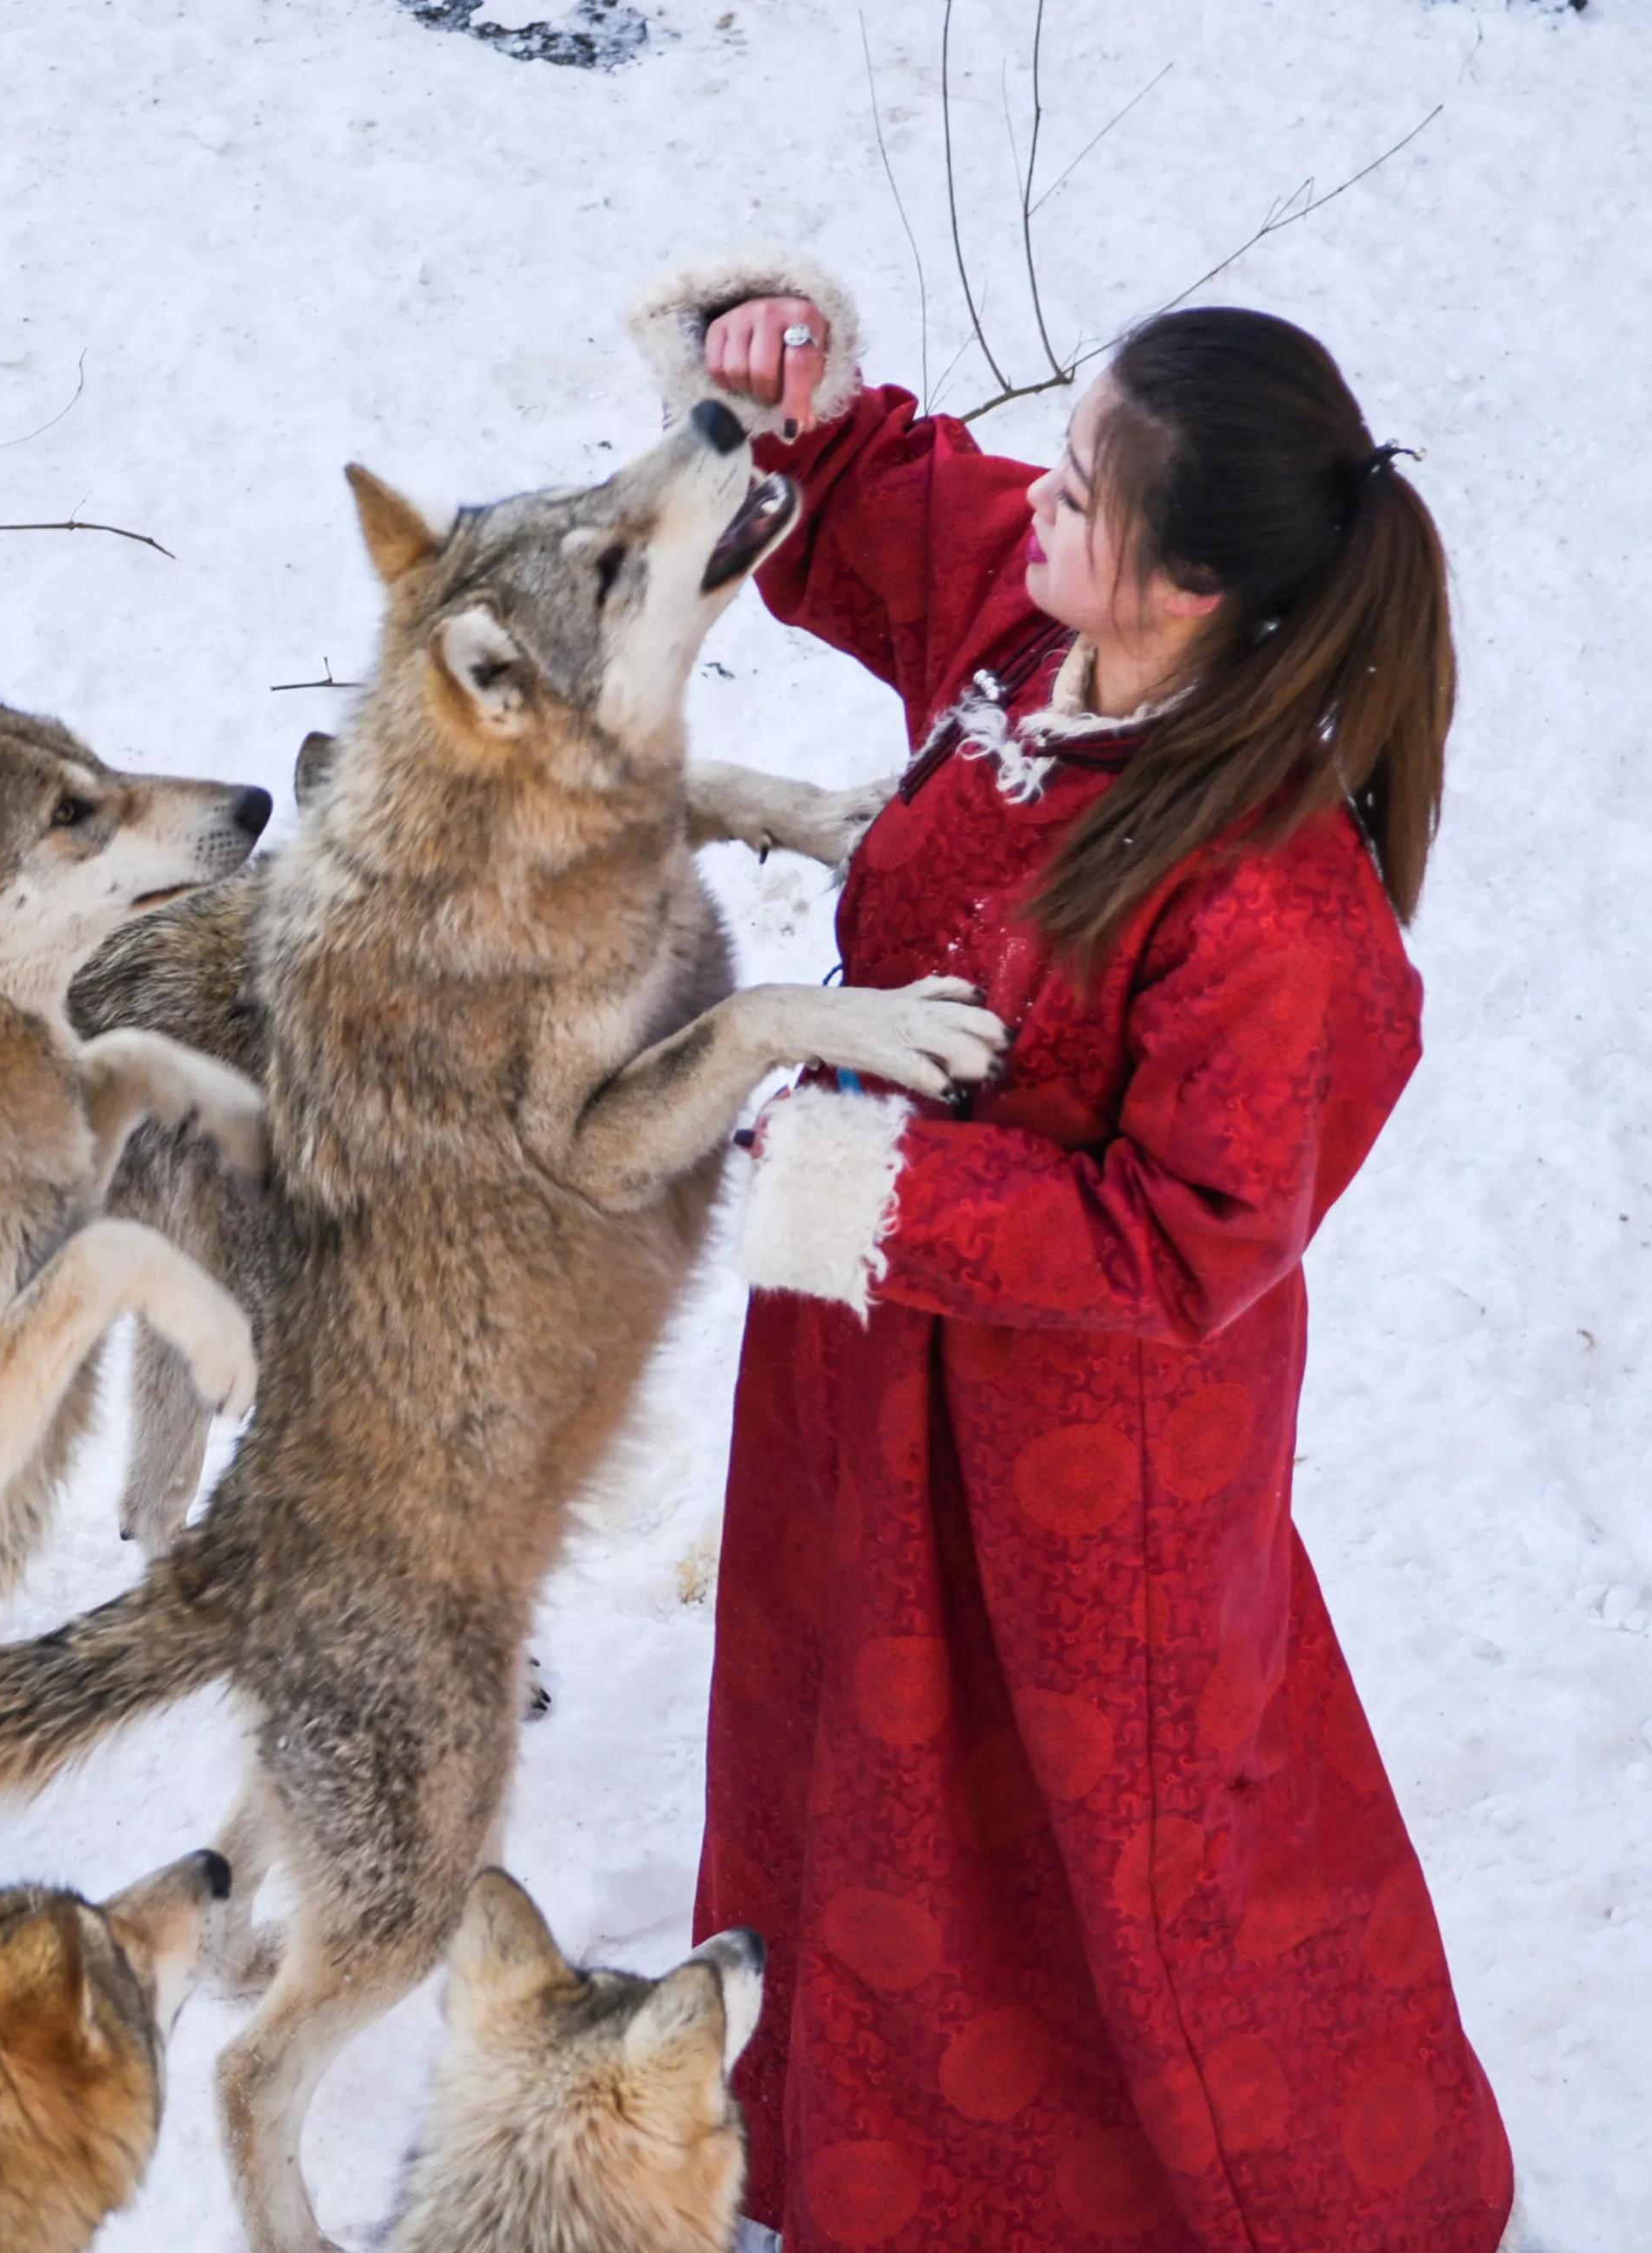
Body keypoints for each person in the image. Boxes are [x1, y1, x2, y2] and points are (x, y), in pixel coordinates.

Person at [635, 255, 1518, 2251]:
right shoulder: (1044, 639)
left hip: (1083, 1459)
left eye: (1084, 486)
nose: (1037, 495)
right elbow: (893, 503)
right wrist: (790, 382)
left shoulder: (1280, 905)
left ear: (1189, 584)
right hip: (876, 1367)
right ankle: (842, 2129)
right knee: (851, 1747)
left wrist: (874, 1179)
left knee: (1107, 1844)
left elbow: (1191, 1237)